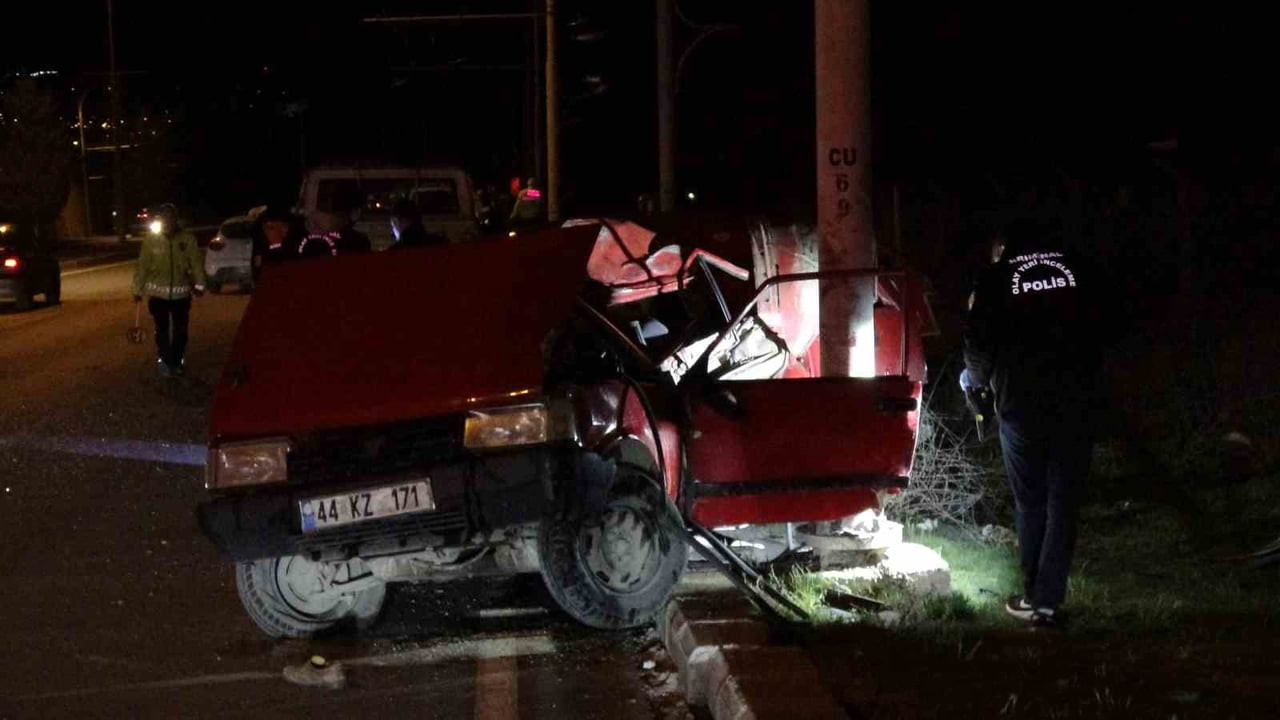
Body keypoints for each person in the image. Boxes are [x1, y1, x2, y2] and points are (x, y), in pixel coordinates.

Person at [961, 216, 1118, 629]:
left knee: (1031, 501)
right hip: (1077, 401)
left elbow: (978, 342)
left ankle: (1033, 598)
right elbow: (1109, 326)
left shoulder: (994, 279)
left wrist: (974, 383)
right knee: (1064, 503)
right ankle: (1047, 603)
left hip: (1020, 403)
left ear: (1003, 246)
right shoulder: (1080, 269)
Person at [131, 204, 206, 377]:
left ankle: (178, 360)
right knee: (162, 331)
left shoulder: (187, 239)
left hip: (181, 295)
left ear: (175, 219)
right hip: (158, 297)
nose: (167, 221)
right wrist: (137, 289)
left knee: (181, 331)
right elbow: (143, 265)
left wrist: (200, 285)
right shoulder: (151, 240)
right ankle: (165, 361)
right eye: (163, 218)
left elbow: (195, 263)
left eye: (170, 217)